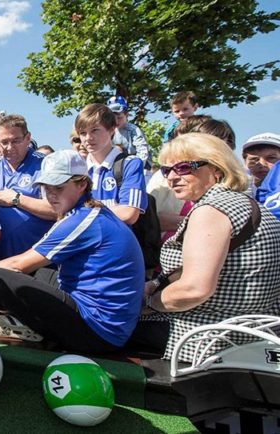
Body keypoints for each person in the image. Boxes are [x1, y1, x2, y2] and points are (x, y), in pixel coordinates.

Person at [0, 150, 144, 352]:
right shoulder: (90, 212)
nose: (51, 194)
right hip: (108, 325)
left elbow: (18, 264)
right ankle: (21, 320)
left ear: (82, 184)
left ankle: (25, 322)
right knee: (42, 274)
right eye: (46, 187)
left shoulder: (82, 220)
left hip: (98, 332)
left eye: (58, 187)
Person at [131, 133, 280, 362]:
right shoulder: (242, 202)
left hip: (208, 337)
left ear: (217, 169)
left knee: (91, 324)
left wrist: (147, 304)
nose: (171, 177)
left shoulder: (211, 210)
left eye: (183, 168)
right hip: (251, 331)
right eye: (166, 170)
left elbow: (195, 289)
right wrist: (154, 285)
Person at [0, 114, 57, 262]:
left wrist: (16, 199)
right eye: (4, 142)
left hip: (37, 261)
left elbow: (56, 211)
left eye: (16, 141)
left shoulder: (46, 165)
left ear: (27, 138)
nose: (10, 147)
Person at [148, 116, 236, 241]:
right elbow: (150, 218)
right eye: (166, 170)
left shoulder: (238, 196)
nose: (172, 176)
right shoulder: (165, 177)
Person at [78, 103, 147, 225]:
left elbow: (128, 213)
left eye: (95, 130)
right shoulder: (77, 167)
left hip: (116, 241)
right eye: (83, 133)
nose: (88, 138)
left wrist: (81, 214)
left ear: (111, 130)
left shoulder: (130, 164)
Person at [106, 96, 152, 170]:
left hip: (140, 165)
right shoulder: (109, 130)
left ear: (126, 115)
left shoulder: (133, 130)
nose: (116, 121)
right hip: (119, 164)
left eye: (119, 118)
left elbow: (142, 151)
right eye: (113, 119)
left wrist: (136, 167)